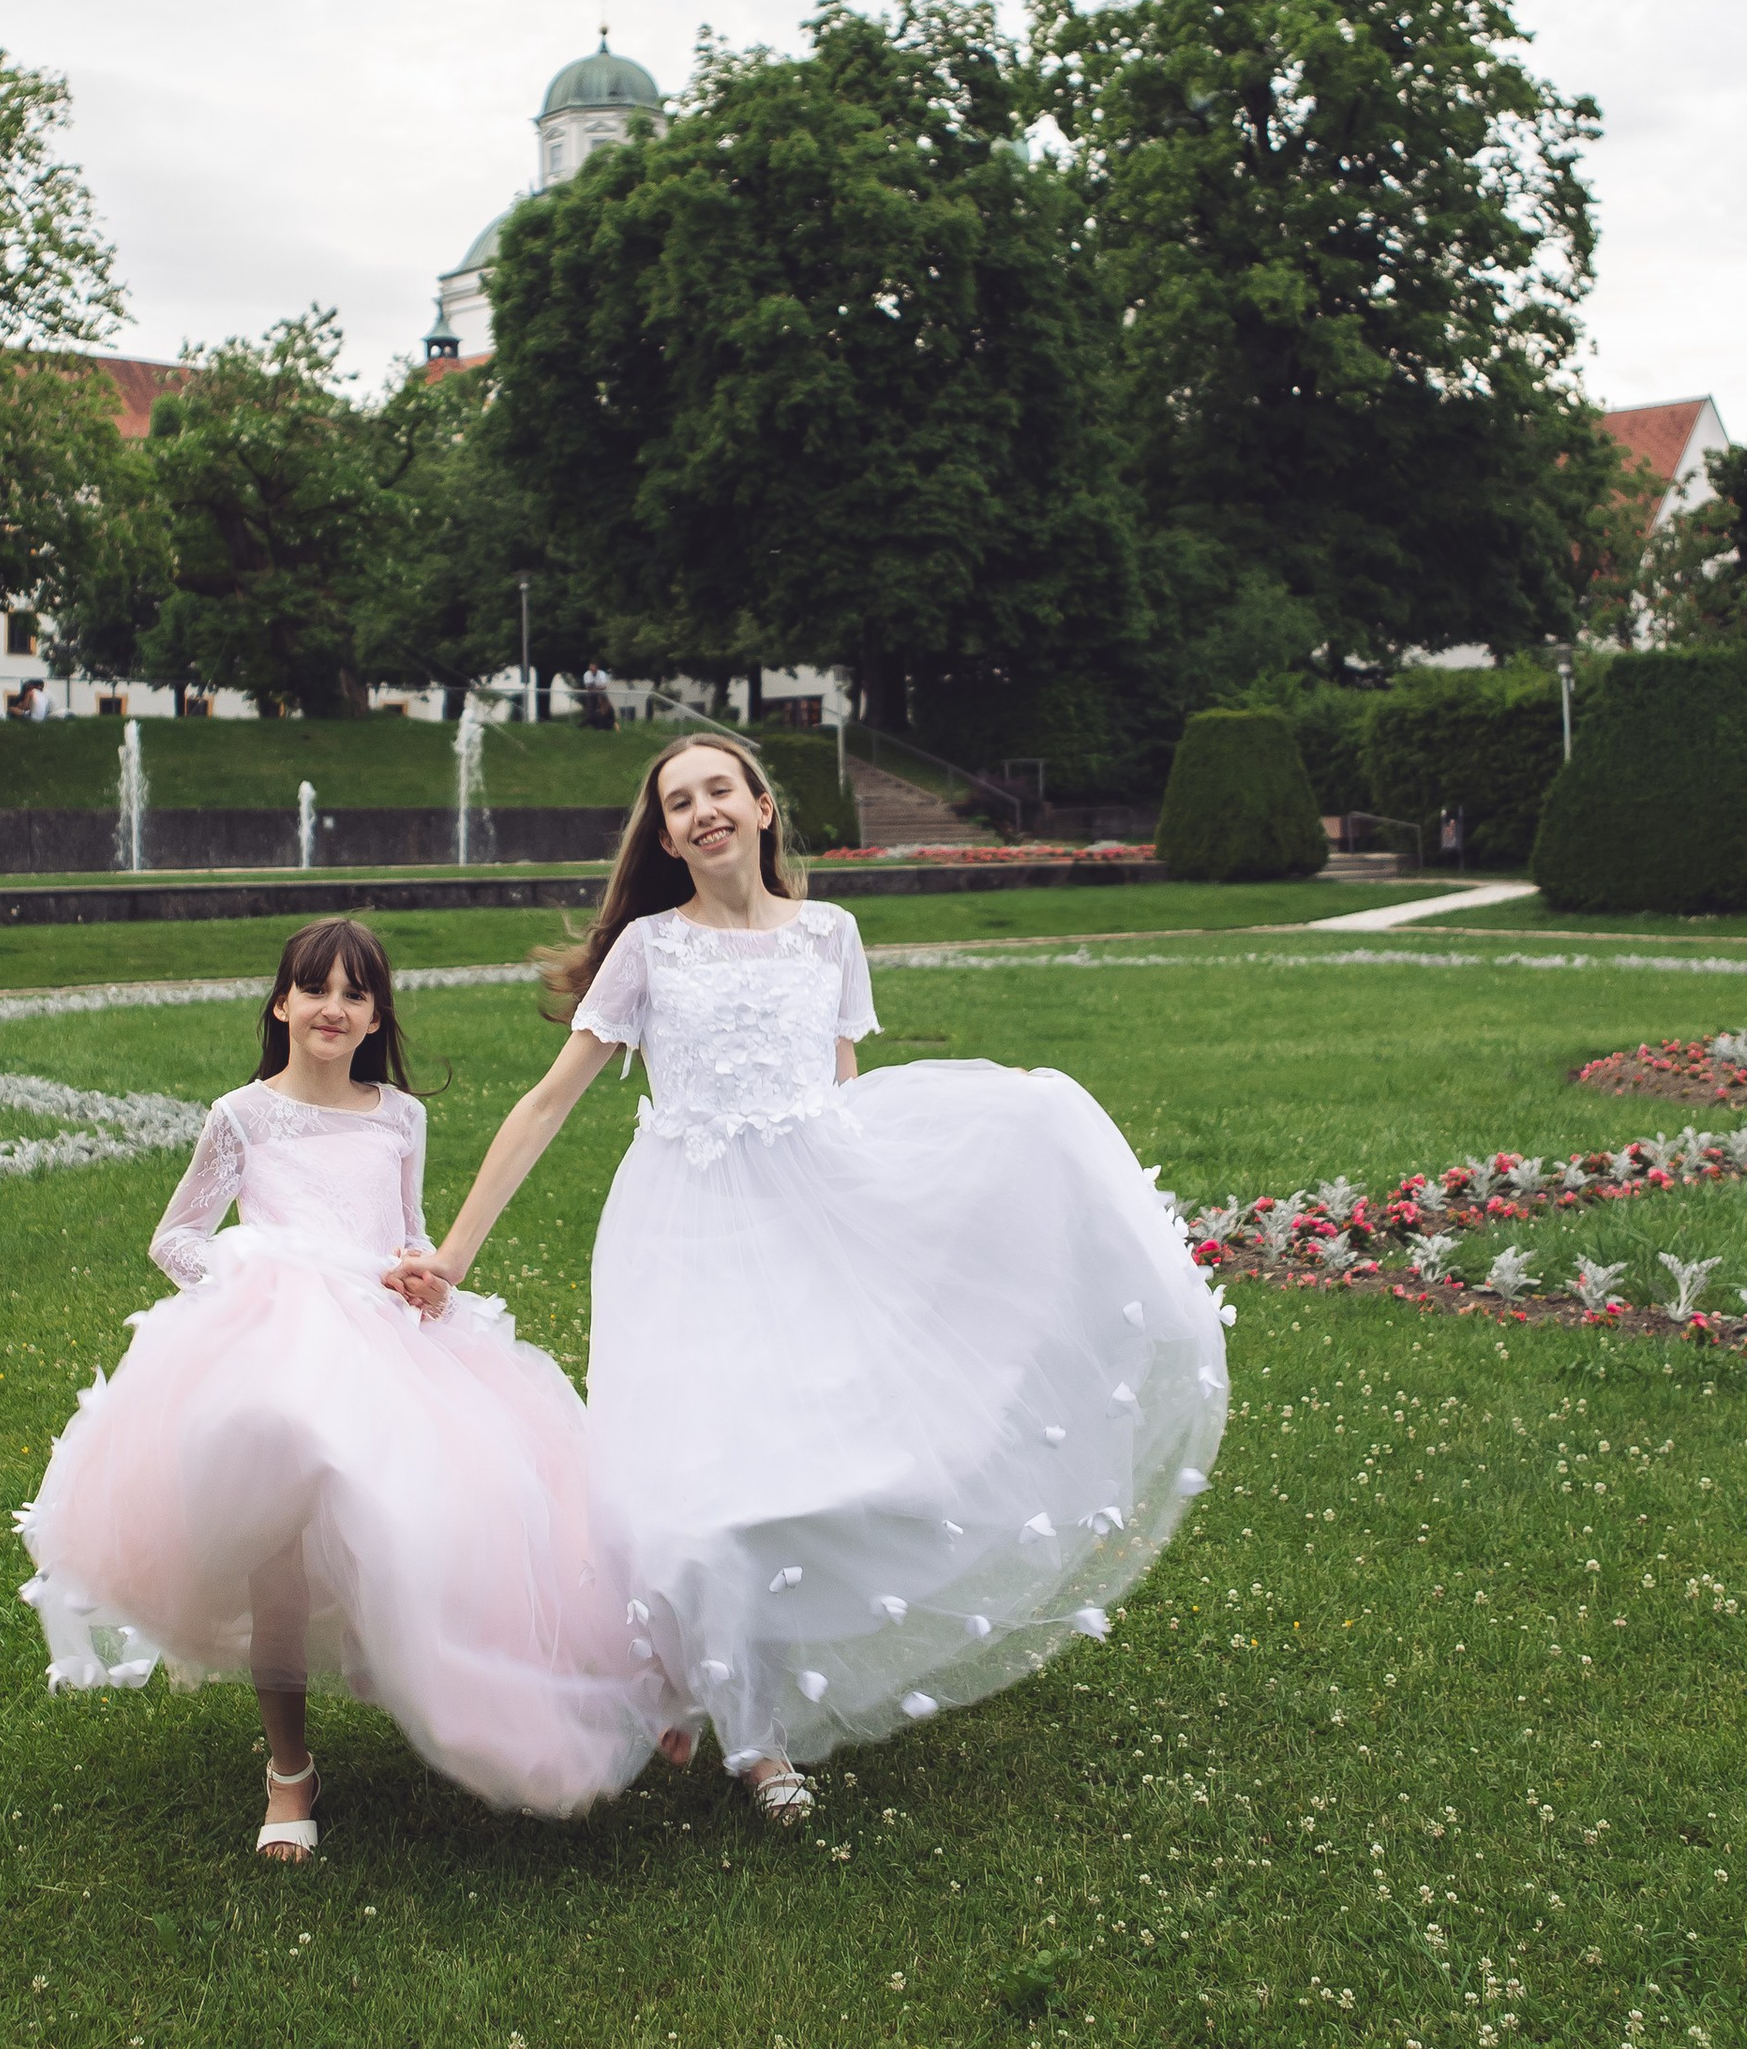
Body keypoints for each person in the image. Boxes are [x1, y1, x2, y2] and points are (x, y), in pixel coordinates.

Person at [390, 734, 1228, 1827]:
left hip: (813, 1217)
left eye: (717, 791)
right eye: (677, 803)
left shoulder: (830, 936)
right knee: (702, 1479)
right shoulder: (649, 948)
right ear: (666, 835)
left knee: (828, 1461)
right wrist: (452, 1255)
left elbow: (848, 1096)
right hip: (683, 1228)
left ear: (763, 807)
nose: (701, 813)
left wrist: (904, 1216)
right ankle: (751, 1731)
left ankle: (720, 1671)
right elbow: (547, 1102)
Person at [18, 916, 650, 1858]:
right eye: (317, 989)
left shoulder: (399, 1116)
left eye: (357, 994)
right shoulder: (241, 1115)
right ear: (282, 1004)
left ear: (374, 1018)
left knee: (463, 1510)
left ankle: (471, 1700)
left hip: (388, 1340)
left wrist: (418, 1271)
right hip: (279, 1344)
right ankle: (289, 1771)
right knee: (277, 1536)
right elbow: (176, 1237)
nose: (335, 1007)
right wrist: (260, 1274)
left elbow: (405, 1227)